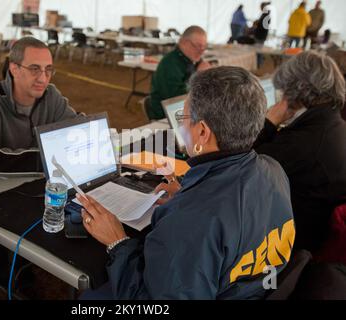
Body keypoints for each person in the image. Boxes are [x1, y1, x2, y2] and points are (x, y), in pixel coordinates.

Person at [78, 66, 295, 299]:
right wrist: (190, 190)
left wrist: (117, 242)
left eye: (183, 118)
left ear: (202, 131)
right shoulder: (273, 170)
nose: (181, 126)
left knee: (90, 297)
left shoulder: (192, 220)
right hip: (252, 288)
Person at [0, 37, 79, 291]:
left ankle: (41, 257)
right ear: (14, 68)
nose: (43, 78)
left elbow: (75, 129)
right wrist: (41, 159)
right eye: (34, 68)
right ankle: (11, 269)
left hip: (32, 184)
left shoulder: (51, 96)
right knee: (26, 212)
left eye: (48, 70)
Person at [254, 51, 346, 253]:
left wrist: (269, 122)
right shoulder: (333, 124)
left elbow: (244, 168)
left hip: (291, 245)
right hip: (314, 236)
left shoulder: (303, 142)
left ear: (295, 91)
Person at [149, 25, 211, 120]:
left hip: (185, 111)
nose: (201, 51)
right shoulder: (170, 64)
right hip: (166, 116)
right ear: (183, 43)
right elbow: (176, 99)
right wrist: (198, 76)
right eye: (198, 46)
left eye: (204, 47)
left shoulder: (191, 59)